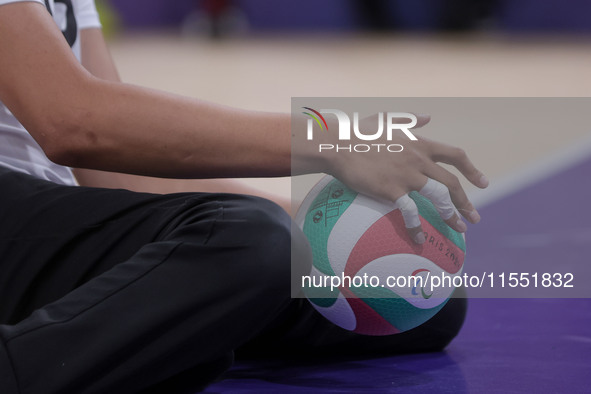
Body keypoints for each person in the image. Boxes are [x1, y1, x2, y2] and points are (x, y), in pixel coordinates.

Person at [0, 1, 489, 393]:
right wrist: (331, 140)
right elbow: (75, 121)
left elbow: (110, 167)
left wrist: (314, 220)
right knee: (256, 245)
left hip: (43, 229)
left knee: (408, 298)